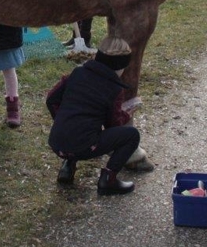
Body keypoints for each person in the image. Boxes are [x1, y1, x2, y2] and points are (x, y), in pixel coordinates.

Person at [45, 36, 140, 195]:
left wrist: (63, 121)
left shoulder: (77, 72)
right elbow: (113, 125)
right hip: (84, 146)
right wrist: (127, 113)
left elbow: (51, 99)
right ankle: (108, 180)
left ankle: (67, 167)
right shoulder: (114, 89)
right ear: (120, 67)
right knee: (132, 135)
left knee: (78, 128)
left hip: (56, 142)